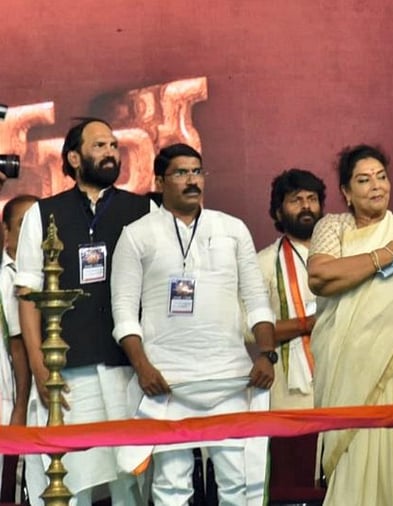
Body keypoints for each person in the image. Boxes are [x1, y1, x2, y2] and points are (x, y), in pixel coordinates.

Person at [111, 143, 275, 506]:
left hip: (232, 380)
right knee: (171, 490)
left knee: (241, 488)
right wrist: (143, 368)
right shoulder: (136, 234)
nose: (191, 180)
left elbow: (257, 302)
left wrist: (267, 355)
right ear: (159, 180)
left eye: (197, 171)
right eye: (181, 173)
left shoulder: (232, 229)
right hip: (166, 383)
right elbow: (123, 314)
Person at [16, 118, 152, 506]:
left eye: (113, 145)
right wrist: (43, 370)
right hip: (69, 372)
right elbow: (29, 297)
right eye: (99, 146)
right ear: (74, 157)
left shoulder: (143, 209)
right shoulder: (43, 215)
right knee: (70, 482)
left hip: (128, 368)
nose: (110, 152)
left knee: (131, 482)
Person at [305, 144, 393, 505]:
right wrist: (387, 254)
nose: (376, 186)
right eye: (363, 180)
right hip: (345, 370)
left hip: (392, 369)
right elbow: (321, 275)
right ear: (346, 192)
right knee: (351, 464)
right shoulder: (333, 227)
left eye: (381, 177)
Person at [258, 169, 325, 410]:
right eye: (296, 200)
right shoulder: (264, 263)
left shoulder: (342, 254)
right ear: (278, 211)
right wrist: (307, 324)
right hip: (293, 393)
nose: (306, 206)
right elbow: (248, 328)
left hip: (343, 379)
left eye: (312, 199)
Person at [0, 194, 36, 497]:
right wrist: (22, 404)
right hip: (18, 395)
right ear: (7, 232)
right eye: (25, 224)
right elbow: (18, 344)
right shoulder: (7, 278)